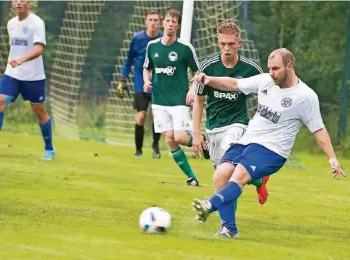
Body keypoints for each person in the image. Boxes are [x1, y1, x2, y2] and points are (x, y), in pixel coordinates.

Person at [191, 48, 346, 238]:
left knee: (239, 175)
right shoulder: (266, 81)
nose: (271, 73)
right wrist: (209, 80)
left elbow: (319, 129)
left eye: (276, 69)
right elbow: (233, 84)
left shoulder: (305, 96)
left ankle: (209, 205)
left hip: (273, 149)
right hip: (248, 140)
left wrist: (332, 157)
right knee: (220, 176)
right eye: (269, 68)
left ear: (290, 67)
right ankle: (229, 229)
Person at [192, 20, 269, 207]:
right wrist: (196, 134)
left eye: (231, 44)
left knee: (226, 172)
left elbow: (267, 97)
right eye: (223, 44)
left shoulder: (250, 70)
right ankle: (259, 180)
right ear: (218, 43)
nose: (227, 48)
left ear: (239, 44)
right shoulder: (208, 67)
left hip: (238, 124)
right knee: (225, 174)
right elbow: (199, 101)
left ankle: (223, 221)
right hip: (213, 128)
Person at [143, 8, 209, 186]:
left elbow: (198, 72)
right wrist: (146, 81)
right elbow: (146, 67)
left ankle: (202, 141)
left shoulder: (185, 48)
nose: (170, 25)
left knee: (179, 137)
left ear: (178, 25)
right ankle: (191, 177)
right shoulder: (152, 46)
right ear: (163, 23)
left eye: (174, 22)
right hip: (159, 101)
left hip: (179, 100)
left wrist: (192, 90)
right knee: (169, 138)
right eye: (168, 21)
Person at [0, 0, 54, 160]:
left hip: (33, 77)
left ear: (28, 3)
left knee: (39, 112)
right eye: (15, 0)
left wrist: (22, 60)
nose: (18, 3)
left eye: (22, 0)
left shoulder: (37, 23)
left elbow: (39, 49)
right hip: (13, 73)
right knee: (0, 101)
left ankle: (49, 148)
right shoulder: (11, 23)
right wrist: (16, 63)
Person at [118, 10, 163, 159]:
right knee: (141, 116)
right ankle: (138, 150)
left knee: (157, 116)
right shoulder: (137, 39)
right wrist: (122, 79)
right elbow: (129, 59)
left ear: (160, 22)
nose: (153, 23)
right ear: (146, 21)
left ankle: (155, 147)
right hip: (140, 83)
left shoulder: (164, 38)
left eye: (156, 20)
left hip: (158, 84)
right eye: (150, 19)